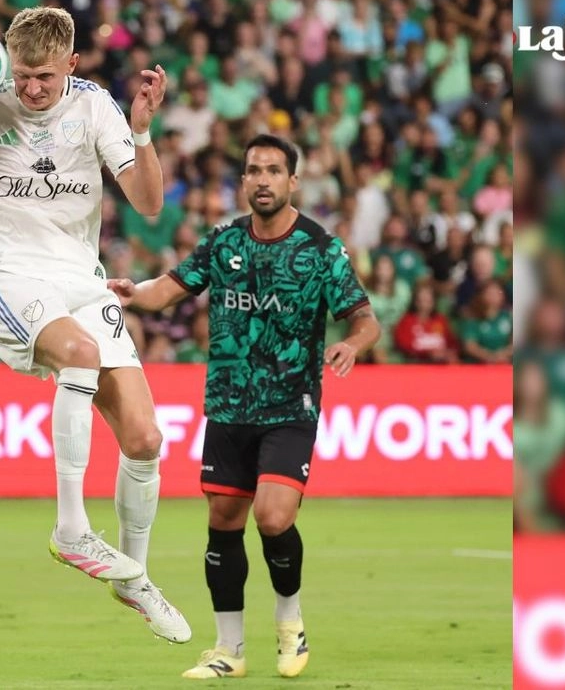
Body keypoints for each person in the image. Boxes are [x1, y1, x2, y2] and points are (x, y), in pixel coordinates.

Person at [0, 7, 190, 643]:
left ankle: (134, 577)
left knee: (148, 440)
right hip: (8, 273)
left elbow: (149, 205)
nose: (30, 89)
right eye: (21, 77)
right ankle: (71, 528)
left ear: (72, 64)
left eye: (43, 77)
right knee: (79, 351)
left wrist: (144, 132)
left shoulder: (96, 108)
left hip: (80, 278)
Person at [108, 134, 382, 679]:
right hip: (229, 406)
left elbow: (365, 318)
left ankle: (290, 622)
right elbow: (172, 287)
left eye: (273, 171)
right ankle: (228, 649)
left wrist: (352, 344)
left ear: (292, 181)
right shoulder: (223, 241)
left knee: (273, 516)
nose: (262, 180)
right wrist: (131, 293)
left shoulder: (319, 249)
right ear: (244, 181)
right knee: (223, 519)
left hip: (290, 406)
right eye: (253, 170)